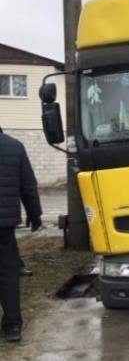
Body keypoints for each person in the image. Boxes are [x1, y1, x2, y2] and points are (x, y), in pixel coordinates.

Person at [0, 127, 42, 342]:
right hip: (4, 226)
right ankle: (12, 327)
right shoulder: (14, 147)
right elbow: (28, 186)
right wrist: (35, 216)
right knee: (8, 274)